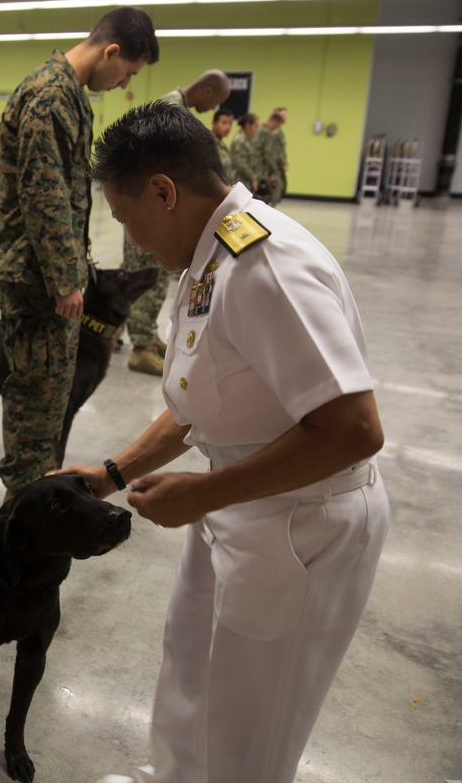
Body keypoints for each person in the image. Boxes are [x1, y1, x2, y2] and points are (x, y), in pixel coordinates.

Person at [59, 101, 391, 783]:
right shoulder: (208, 258)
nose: (132, 240)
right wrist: (114, 471)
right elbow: (197, 402)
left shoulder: (267, 269)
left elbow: (354, 431)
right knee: (192, 670)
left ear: (164, 192)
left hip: (301, 523)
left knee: (250, 723)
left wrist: (205, 491)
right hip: (240, 504)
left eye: (127, 219)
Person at [0, 7, 160, 498]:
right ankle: (21, 506)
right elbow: (45, 194)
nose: (125, 83)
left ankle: (38, 496)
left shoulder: (68, 96)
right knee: (36, 394)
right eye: (127, 72)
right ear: (111, 52)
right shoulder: (50, 97)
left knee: (49, 393)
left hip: (45, 271)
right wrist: (66, 279)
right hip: (36, 277)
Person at [123, 70, 232, 377]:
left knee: (155, 280)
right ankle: (140, 347)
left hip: (159, 212)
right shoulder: (171, 109)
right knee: (146, 278)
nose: (214, 109)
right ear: (208, 90)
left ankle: (146, 336)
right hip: (151, 214)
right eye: (218, 101)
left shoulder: (175, 107)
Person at [229, 112, 267, 197]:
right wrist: (252, 178)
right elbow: (241, 163)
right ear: (247, 125)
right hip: (240, 180)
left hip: (246, 180)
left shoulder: (247, 140)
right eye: (255, 126)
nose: (256, 129)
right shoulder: (239, 140)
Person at [259, 106, 289, 206]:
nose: (285, 117)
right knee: (267, 192)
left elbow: (280, 150)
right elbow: (267, 153)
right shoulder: (266, 132)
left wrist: (284, 162)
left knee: (277, 189)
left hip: (273, 166)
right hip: (265, 168)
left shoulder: (277, 132)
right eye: (283, 115)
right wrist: (272, 171)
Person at [211, 106, 234, 181]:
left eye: (230, 124)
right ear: (214, 123)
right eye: (224, 123)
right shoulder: (208, 144)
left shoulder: (223, 145)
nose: (228, 127)